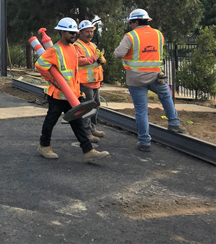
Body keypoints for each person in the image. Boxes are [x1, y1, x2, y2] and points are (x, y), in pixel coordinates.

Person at [36, 17, 110, 163]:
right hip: (58, 95)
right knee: (50, 121)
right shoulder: (54, 50)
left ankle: (88, 151)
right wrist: (52, 81)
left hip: (73, 94)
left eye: (75, 32)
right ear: (62, 32)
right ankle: (44, 146)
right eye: (71, 32)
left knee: (78, 124)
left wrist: (77, 92)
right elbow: (40, 65)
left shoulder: (72, 49)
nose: (74, 35)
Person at [113, 9, 187, 152]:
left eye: (131, 23)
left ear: (135, 22)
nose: (130, 26)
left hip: (136, 79)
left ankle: (144, 142)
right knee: (166, 96)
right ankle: (173, 123)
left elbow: (118, 54)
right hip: (155, 76)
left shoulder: (131, 36)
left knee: (141, 110)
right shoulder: (159, 35)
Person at [74, 20, 106, 144]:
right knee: (87, 108)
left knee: (96, 106)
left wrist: (102, 60)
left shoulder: (92, 45)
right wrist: (95, 57)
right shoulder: (77, 46)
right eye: (87, 31)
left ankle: (92, 128)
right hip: (84, 82)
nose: (90, 34)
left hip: (95, 81)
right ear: (80, 32)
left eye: (91, 31)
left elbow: (100, 60)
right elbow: (80, 61)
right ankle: (86, 132)